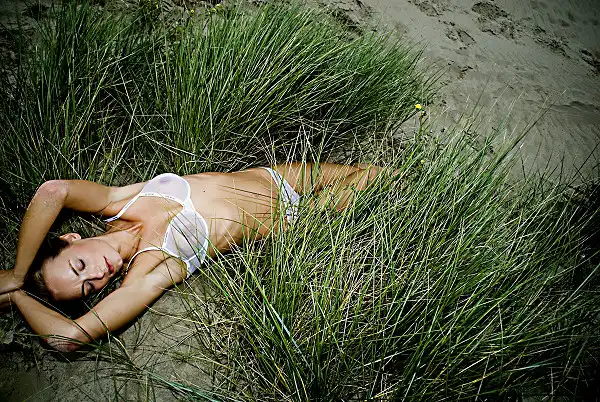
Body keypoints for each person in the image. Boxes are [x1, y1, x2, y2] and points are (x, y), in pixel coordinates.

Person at [0, 162, 389, 352]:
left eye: (80, 265)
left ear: (70, 239)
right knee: (384, 181)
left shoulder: (117, 200)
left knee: (373, 171)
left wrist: (18, 274)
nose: (98, 275)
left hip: (274, 176)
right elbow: (67, 337)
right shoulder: (149, 272)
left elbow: (54, 191)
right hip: (299, 218)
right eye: (89, 287)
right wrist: (19, 297)